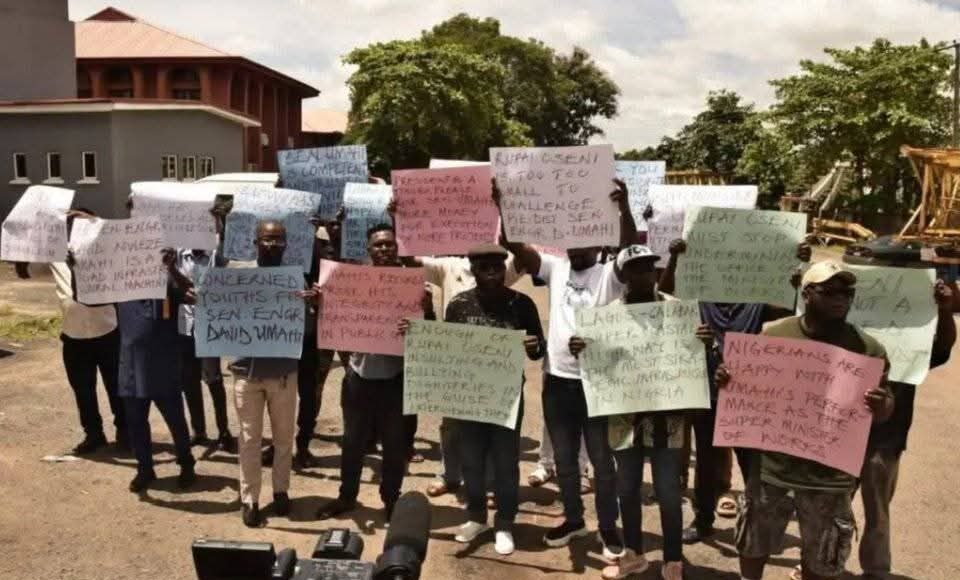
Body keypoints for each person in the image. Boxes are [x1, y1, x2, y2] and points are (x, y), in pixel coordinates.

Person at [715, 261, 894, 580]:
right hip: (773, 469)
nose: (841, 298)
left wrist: (883, 405)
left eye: (847, 292)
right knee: (754, 542)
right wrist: (729, 379)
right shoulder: (773, 334)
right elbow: (748, 385)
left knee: (821, 557)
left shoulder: (868, 350)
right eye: (830, 291)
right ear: (807, 294)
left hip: (829, 476)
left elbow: (884, 410)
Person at [497, 177, 637, 554]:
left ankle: (608, 528)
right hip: (557, 382)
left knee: (602, 465)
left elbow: (632, 248)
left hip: (596, 383)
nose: (576, 245)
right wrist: (503, 205)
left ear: (599, 241)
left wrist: (623, 208)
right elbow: (515, 248)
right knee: (563, 460)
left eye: (585, 237)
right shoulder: (556, 268)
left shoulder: (609, 275)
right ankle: (574, 519)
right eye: (571, 238)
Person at [569, 244, 714, 580]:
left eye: (649, 267)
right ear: (624, 276)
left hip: (668, 418)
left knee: (668, 491)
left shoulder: (679, 312)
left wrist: (705, 345)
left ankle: (673, 559)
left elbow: (698, 364)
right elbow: (599, 367)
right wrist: (581, 349)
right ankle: (633, 554)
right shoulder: (606, 318)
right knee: (628, 489)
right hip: (624, 418)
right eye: (635, 269)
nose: (644, 274)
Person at [657, 237, 813, 544]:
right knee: (705, 461)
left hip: (747, 397)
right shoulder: (698, 302)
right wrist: (675, 258)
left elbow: (791, 309)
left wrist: (799, 270)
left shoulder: (757, 305)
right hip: (706, 393)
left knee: (751, 463)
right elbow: (665, 292)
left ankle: (757, 523)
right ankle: (703, 521)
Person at [386, 197, 527, 498]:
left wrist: (505, 206)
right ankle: (450, 475)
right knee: (451, 426)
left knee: (491, 423)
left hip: (493, 358)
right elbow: (409, 259)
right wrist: (398, 220)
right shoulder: (447, 266)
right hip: (457, 359)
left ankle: (489, 484)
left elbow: (524, 259)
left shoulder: (500, 266)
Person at [432, 243, 545, 556]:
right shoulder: (459, 305)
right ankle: (476, 516)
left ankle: (505, 523)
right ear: (475, 270)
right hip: (470, 394)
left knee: (506, 460)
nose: (493, 273)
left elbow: (539, 350)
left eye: (497, 267)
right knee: (471, 458)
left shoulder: (521, 304)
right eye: (485, 268)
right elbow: (447, 348)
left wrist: (533, 345)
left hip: (506, 394)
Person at [316, 224, 432, 521]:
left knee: (394, 447)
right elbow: (333, 320)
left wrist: (426, 311)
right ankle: (347, 496)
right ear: (368, 250)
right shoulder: (353, 282)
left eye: (389, 245)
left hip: (395, 380)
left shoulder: (413, 284)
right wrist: (321, 300)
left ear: (398, 248)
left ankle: (390, 498)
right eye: (378, 245)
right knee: (353, 443)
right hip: (358, 378)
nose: (384, 249)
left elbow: (429, 331)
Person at [70, 236, 198, 493]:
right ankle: (145, 468)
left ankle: (186, 463)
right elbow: (85, 297)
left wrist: (171, 268)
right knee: (136, 421)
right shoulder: (121, 285)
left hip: (164, 365)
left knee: (175, 419)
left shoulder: (168, 281)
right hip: (130, 366)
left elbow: (192, 294)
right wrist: (77, 269)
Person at [856, 277, 955, 580]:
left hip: (887, 436)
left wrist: (945, 311)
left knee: (878, 509)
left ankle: (876, 570)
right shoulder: (840, 328)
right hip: (838, 432)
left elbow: (940, 350)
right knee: (828, 505)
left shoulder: (911, 339)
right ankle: (820, 563)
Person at [12, 209, 126, 455]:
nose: (75, 229)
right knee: (82, 390)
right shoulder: (57, 258)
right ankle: (93, 434)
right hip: (73, 337)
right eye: (71, 225)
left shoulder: (108, 256)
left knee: (116, 388)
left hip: (107, 333)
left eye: (82, 223)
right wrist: (28, 242)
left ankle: (125, 433)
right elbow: (24, 272)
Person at [231, 220, 317, 527]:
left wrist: (310, 308)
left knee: (283, 438)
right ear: (255, 242)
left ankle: (281, 491)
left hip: (282, 374)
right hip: (246, 373)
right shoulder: (239, 276)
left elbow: (306, 333)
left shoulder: (297, 279)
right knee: (250, 439)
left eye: (278, 240)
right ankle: (250, 498)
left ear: (285, 244)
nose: (271, 245)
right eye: (266, 239)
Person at [174, 247, 236, 452]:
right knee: (189, 381)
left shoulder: (216, 256)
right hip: (185, 325)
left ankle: (223, 431)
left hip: (210, 325)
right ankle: (198, 431)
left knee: (214, 380)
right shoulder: (177, 255)